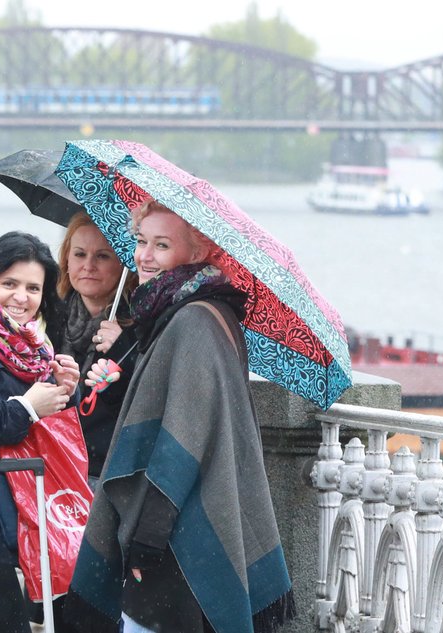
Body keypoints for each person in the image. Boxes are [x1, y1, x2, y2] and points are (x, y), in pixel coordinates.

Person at [67, 200, 295, 633]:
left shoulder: (193, 322)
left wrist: (145, 541)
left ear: (196, 253)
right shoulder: (188, 314)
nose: (144, 256)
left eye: (161, 245)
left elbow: (181, 443)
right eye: (140, 241)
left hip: (181, 535)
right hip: (183, 526)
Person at [0, 231, 81, 633]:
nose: (20, 297)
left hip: (36, 503)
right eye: (9, 284)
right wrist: (25, 408)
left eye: (32, 288)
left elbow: (57, 431)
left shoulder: (38, 345)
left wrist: (68, 392)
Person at [57, 211, 139, 485]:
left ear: (123, 265)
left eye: (102, 256)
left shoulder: (138, 328)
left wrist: (124, 349)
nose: (88, 265)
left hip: (102, 470)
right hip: (50, 459)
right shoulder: (45, 314)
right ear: (66, 259)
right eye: (79, 254)